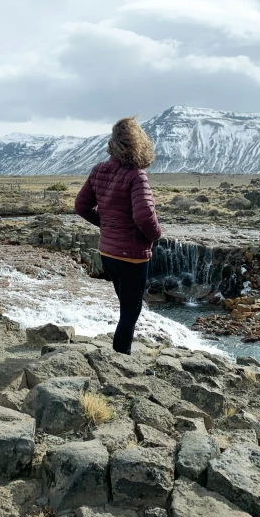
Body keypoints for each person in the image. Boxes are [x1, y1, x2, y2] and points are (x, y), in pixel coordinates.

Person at [75, 117, 161, 355]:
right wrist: (155, 236)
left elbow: (81, 206)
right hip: (131, 257)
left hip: (108, 253)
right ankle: (120, 361)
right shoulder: (136, 175)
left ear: (114, 144)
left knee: (125, 307)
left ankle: (119, 357)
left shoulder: (99, 170)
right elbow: (144, 217)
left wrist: (107, 226)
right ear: (138, 144)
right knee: (130, 313)